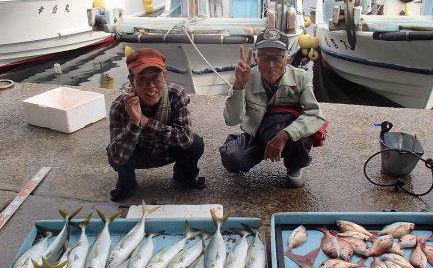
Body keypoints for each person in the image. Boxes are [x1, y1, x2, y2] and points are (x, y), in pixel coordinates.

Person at [220, 29, 327, 187]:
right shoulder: (246, 77)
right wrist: (239, 86)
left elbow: (315, 115)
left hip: (288, 134)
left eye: (277, 58)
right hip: (257, 132)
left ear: (287, 59)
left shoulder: (301, 77)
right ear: (256, 58)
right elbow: (231, 120)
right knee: (233, 160)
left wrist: (285, 135)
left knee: (303, 136)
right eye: (265, 58)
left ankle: (294, 166)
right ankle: (238, 141)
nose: (271, 66)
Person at [107, 48, 206, 201]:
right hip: (137, 153)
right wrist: (134, 122)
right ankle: (127, 184)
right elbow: (118, 157)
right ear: (131, 79)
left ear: (165, 76)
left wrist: (145, 122)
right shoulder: (119, 106)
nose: (151, 86)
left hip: (167, 149)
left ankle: (184, 176)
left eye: (156, 78)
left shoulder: (176, 94)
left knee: (196, 143)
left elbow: (185, 139)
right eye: (142, 79)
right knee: (113, 152)